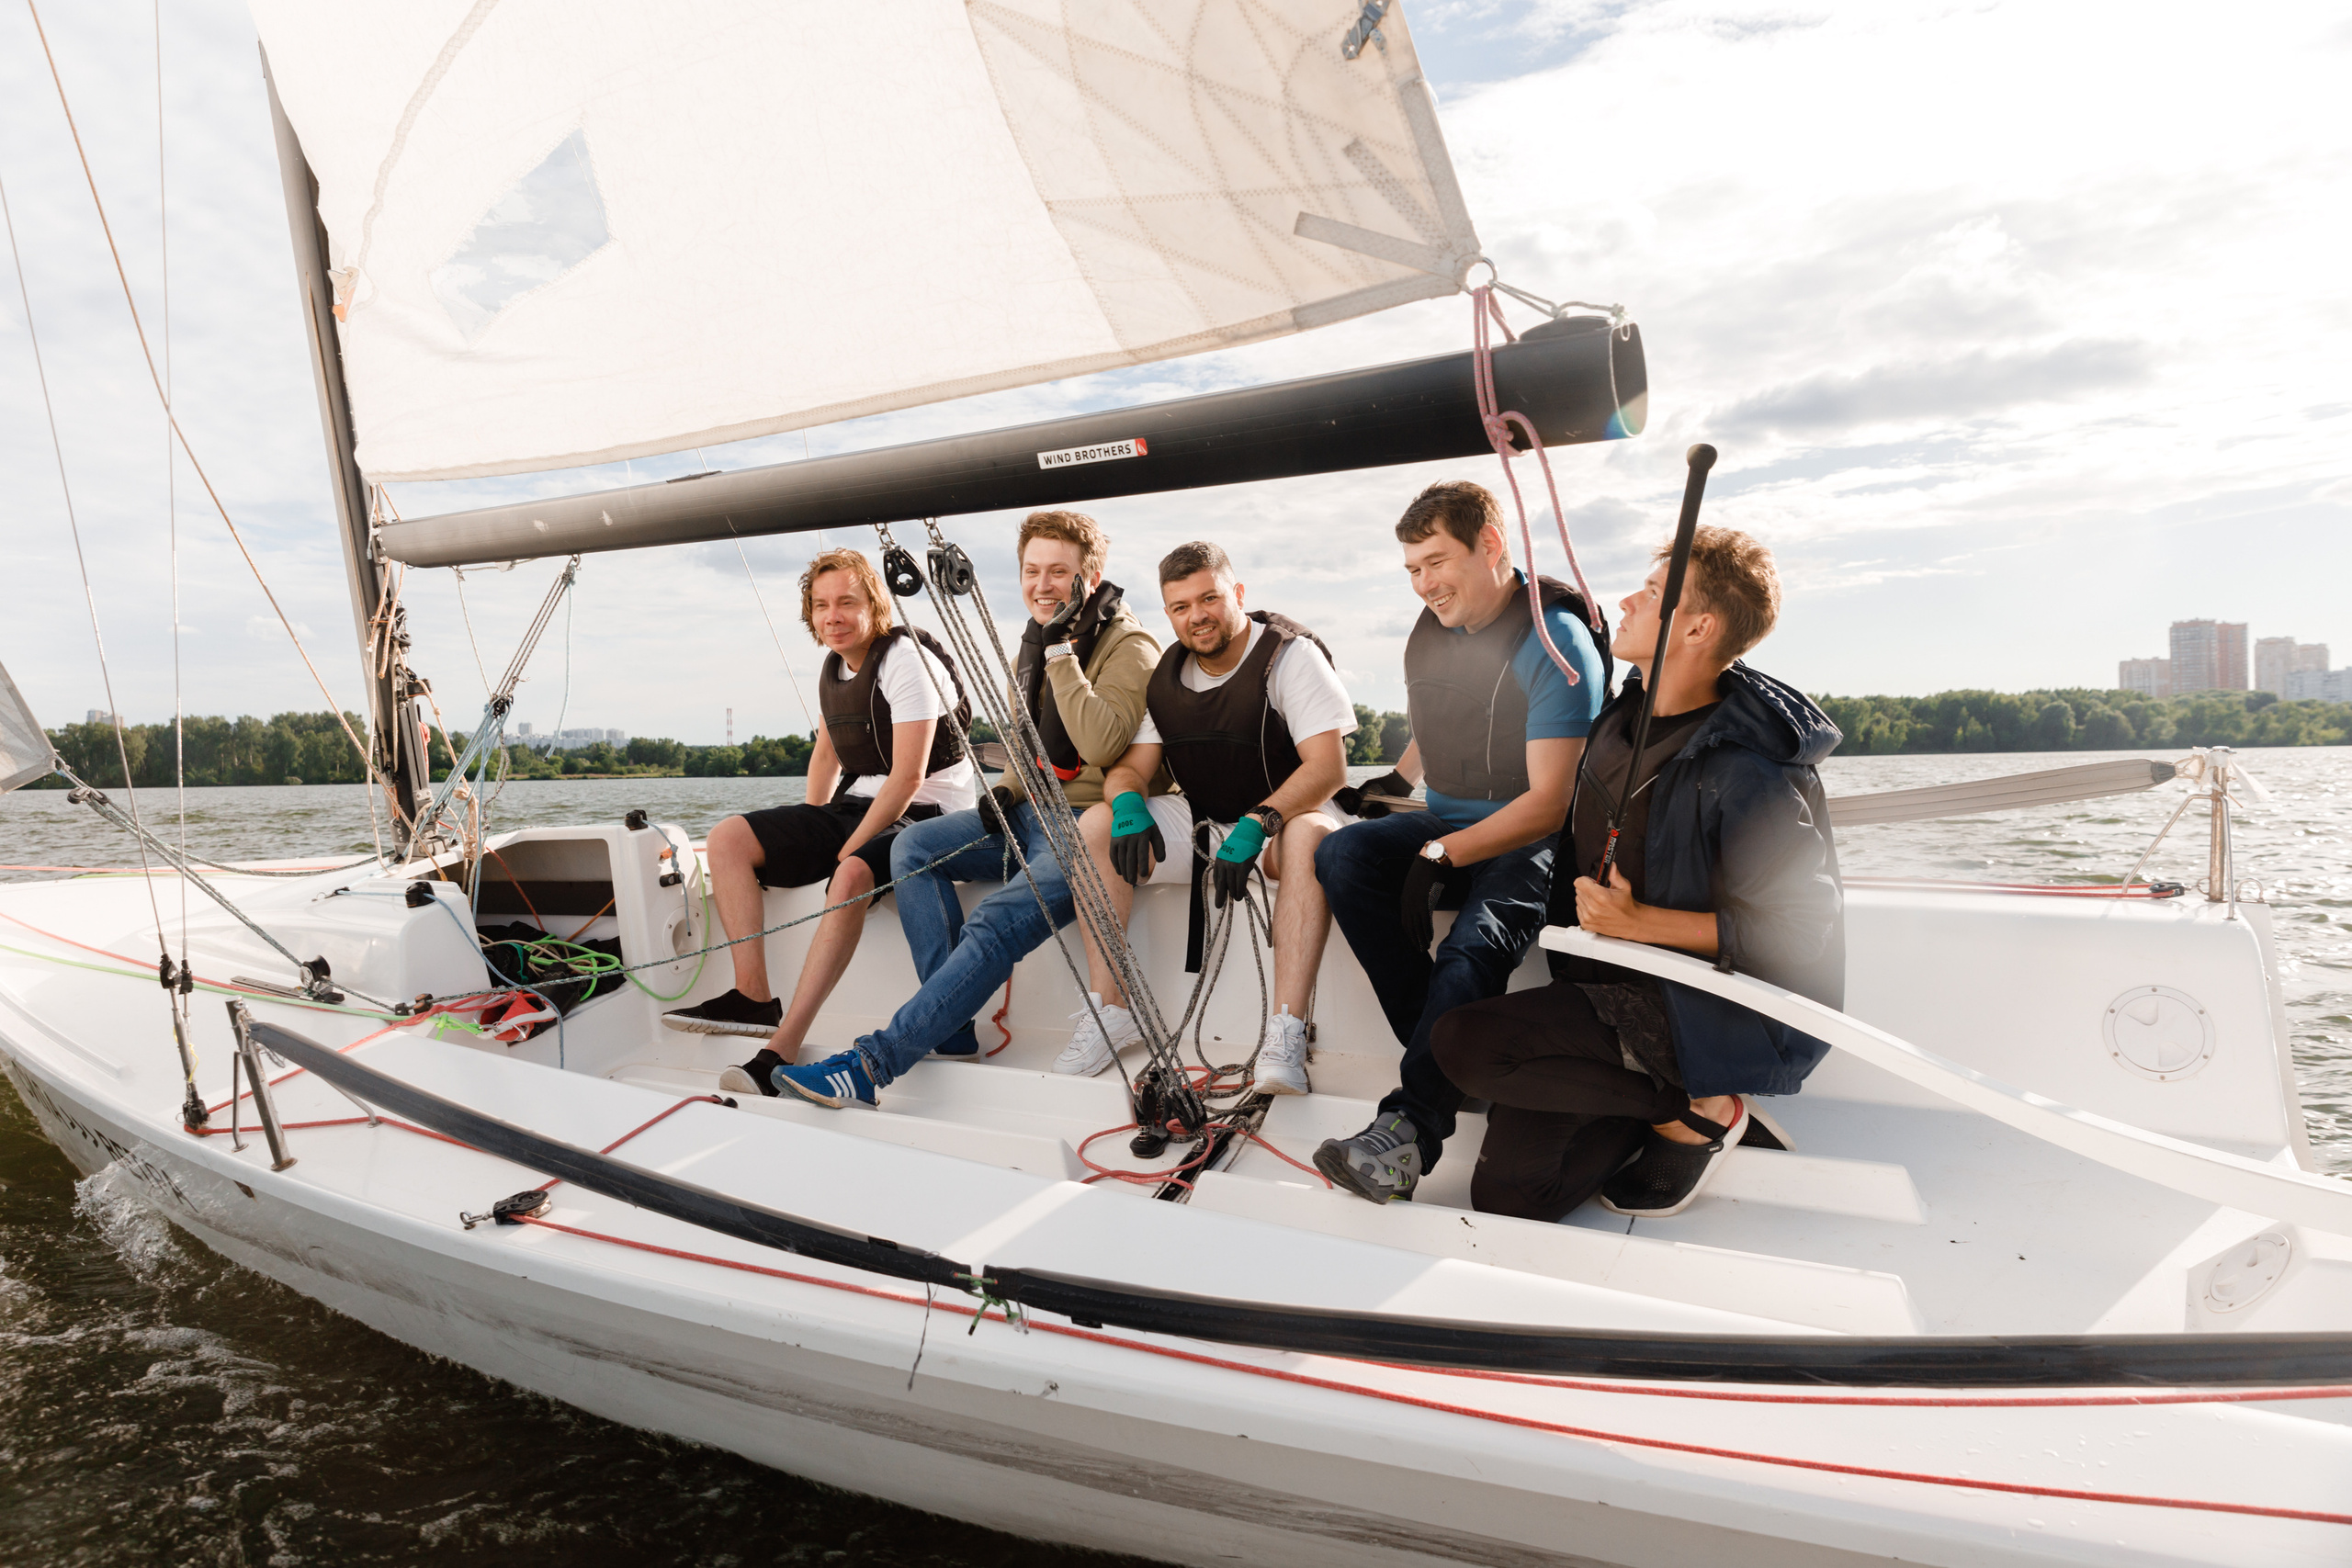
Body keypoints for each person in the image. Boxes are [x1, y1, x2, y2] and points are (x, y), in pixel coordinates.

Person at [1431, 526, 1843, 1220]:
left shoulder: (1750, 771)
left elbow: (1803, 934)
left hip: (1704, 1013)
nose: (1625, 600)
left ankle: (1700, 1108)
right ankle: (1651, 1109)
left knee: (1465, 1042)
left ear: (1699, 627)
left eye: (1652, 593)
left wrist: (1641, 923)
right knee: (1510, 1197)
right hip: (1608, 989)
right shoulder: (1621, 720)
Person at [767, 510, 1164, 1108]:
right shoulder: (1033, 644)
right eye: (1032, 570)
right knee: (912, 846)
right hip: (1028, 816)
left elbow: (1103, 745)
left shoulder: (1128, 646)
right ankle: (949, 1025)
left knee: (993, 921)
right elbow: (1029, 750)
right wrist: (1003, 791)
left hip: (1086, 829)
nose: (1043, 584)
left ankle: (869, 1066)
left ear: (1092, 574)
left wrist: (1060, 655)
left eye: (1060, 571)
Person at [1312, 480, 1609, 1203]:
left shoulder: (1555, 641)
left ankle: (1409, 1129)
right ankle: (1449, 1058)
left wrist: (1445, 855)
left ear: (1491, 546)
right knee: (1341, 854)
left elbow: (1550, 802)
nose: (1424, 583)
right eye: (1412, 568)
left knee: (1472, 946)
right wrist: (1394, 777)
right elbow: (1455, 714)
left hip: (1526, 834)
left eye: (1437, 561)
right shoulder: (1442, 627)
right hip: (1445, 817)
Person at [660, 548, 974, 1091]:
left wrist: (843, 850)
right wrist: (811, 823)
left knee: (849, 874)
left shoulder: (905, 660)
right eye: (821, 605)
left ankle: (782, 1046)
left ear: (874, 605)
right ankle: (753, 997)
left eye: (847, 603)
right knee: (730, 838)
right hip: (861, 804)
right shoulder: (835, 667)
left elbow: (906, 779)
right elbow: (827, 756)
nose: (834, 616)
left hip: (929, 815)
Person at [1061, 540, 1356, 1092]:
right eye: (1180, 607)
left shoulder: (1288, 657)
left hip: (1282, 822)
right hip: (1208, 824)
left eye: (1209, 599)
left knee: (1312, 838)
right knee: (1097, 825)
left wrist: (1260, 821)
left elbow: (1329, 768)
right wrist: (1126, 804)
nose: (1196, 616)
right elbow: (1131, 770)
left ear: (1237, 594)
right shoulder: (1166, 678)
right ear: (1168, 612)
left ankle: (1286, 1031)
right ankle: (1111, 1008)